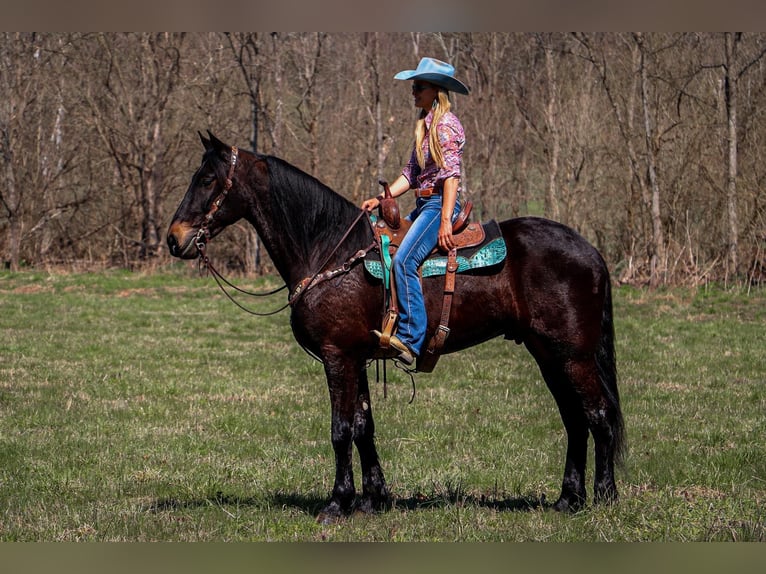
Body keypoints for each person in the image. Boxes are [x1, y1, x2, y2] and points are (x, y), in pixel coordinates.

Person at [361, 57, 470, 365]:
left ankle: (411, 339)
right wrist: (381, 198)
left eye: (418, 87)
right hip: (422, 203)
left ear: (436, 90)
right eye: (413, 86)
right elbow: (410, 173)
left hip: (437, 205)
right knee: (383, 245)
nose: (413, 92)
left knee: (405, 260)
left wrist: (445, 220)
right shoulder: (424, 126)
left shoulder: (446, 125)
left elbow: (451, 176)